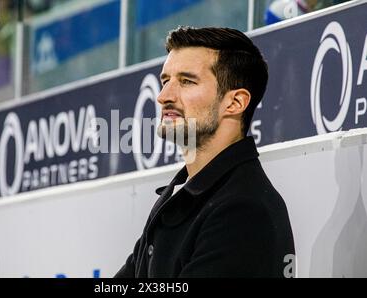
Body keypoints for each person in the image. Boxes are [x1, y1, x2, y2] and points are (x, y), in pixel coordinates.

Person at [114, 26, 295, 278]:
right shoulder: (178, 197)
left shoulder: (242, 210)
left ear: (235, 102)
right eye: (165, 81)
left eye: (186, 81)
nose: (164, 96)